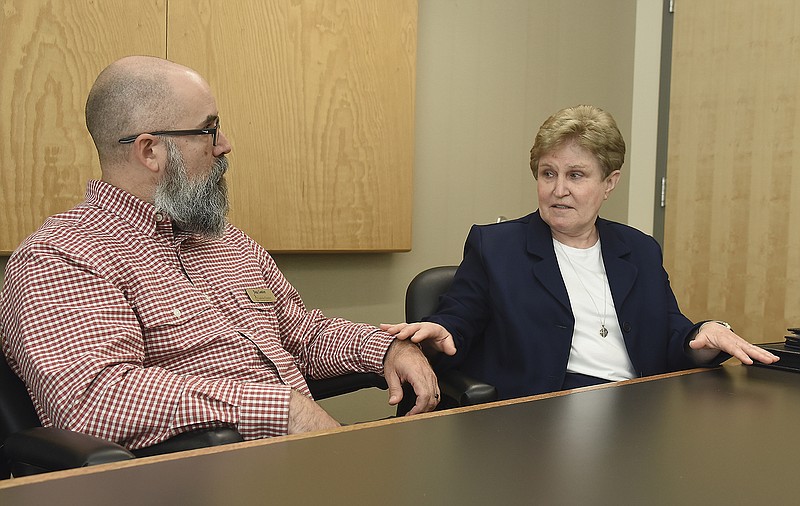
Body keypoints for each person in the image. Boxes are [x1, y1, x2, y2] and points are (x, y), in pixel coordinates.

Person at [0, 56, 439, 451]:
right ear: (150, 150)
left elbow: (300, 332)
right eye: (209, 130)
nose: (224, 144)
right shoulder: (61, 256)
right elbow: (97, 400)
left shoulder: (227, 242)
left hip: (298, 463)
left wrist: (386, 349)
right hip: (194, 484)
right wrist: (284, 409)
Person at [382, 104, 778, 400]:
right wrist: (441, 331)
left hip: (638, 412)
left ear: (609, 182)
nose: (558, 189)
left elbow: (670, 336)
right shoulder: (496, 247)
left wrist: (704, 334)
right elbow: (459, 318)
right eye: (548, 173)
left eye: (576, 175)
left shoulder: (639, 249)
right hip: (541, 417)